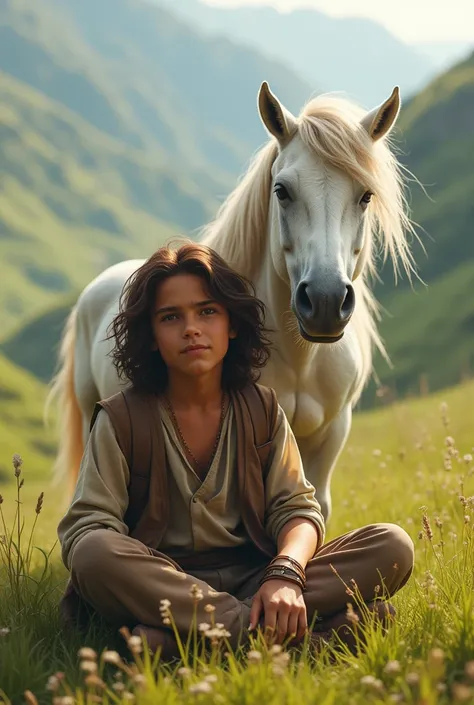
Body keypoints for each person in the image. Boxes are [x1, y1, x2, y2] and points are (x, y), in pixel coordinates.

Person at [57, 242, 414, 658]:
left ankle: (182, 643)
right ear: (152, 337)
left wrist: (285, 575)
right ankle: (299, 641)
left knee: (393, 545)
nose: (192, 328)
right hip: (166, 585)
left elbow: (297, 510)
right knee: (93, 552)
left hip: (256, 577)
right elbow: (87, 528)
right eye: (171, 317)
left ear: (231, 324)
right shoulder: (120, 419)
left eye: (207, 311)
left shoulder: (262, 408)